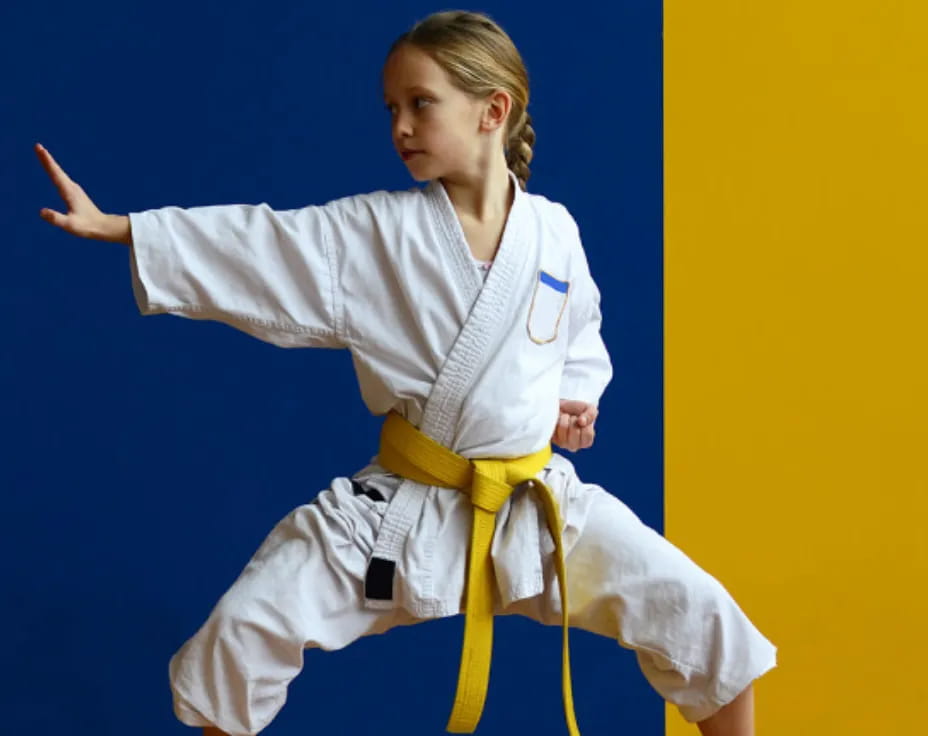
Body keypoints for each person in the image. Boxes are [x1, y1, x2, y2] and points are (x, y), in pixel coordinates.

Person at [35, 10, 776, 736]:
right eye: (392, 108)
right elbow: (262, 243)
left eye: (421, 104)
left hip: (533, 504)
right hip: (402, 512)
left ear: (494, 110)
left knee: (699, 614)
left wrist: (571, 401)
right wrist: (124, 227)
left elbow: (578, 334)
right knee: (246, 628)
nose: (400, 127)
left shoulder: (553, 231)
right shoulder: (375, 232)